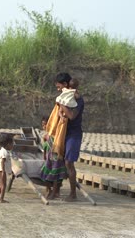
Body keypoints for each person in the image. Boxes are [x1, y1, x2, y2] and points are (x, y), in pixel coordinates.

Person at [57, 73, 84, 202]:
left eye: (59, 86)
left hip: (74, 134)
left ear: (66, 85)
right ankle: (56, 189)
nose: (58, 89)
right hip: (65, 133)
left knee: (69, 162)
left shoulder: (78, 99)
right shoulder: (65, 97)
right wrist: (60, 111)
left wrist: (61, 105)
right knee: (60, 160)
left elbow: (72, 116)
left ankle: (73, 194)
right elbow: (58, 111)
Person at [40, 116, 67, 200]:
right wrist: (44, 155)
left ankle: (54, 192)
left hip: (56, 159)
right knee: (44, 175)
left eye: (46, 124)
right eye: (43, 125)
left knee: (55, 177)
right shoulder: (45, 136)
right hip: (49, 159)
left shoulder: (57, 135)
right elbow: (45, 147)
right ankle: (51, 191)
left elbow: (57, 146)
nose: (44, 126)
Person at [0, 134, 14, 203]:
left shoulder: (0, 151)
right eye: (12, 144)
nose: (12, 145)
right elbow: (3, 161)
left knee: (1, 184)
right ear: (8, 144)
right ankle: (1, 199)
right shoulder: (4, 152)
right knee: (4, 185)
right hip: (2, 170)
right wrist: (3, 171)